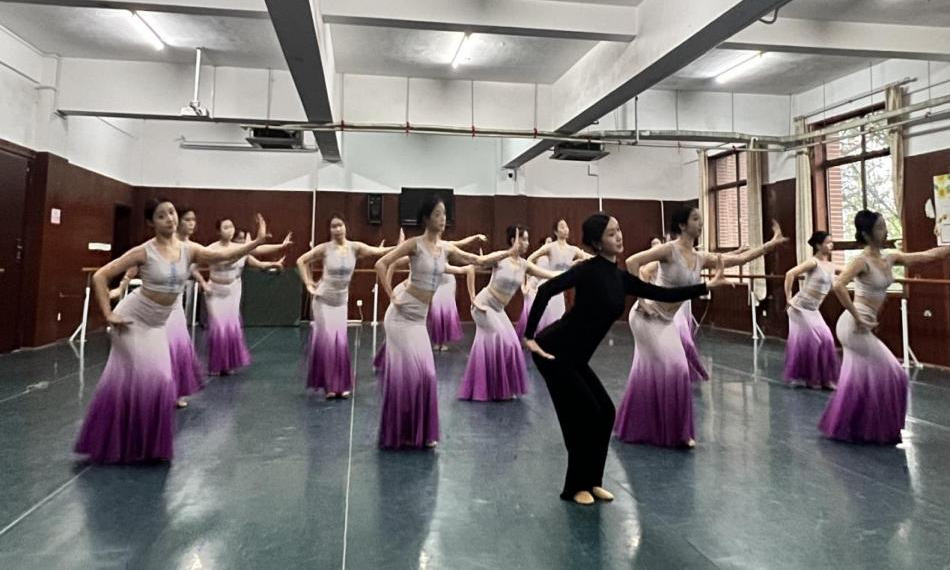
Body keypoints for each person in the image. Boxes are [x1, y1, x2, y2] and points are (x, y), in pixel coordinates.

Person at [524, 211, 732, 505]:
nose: (619, 236)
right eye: (611, 233)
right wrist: (529, 336)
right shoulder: (587, 270)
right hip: (554, 352)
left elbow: (662, 293)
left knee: (606, 413)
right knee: (584, 416)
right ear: (597, 243)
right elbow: (546, 290)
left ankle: (593, 482)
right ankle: (574, 487)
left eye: (619, 230)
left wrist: (706, 287)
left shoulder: (620, 277)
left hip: (576, 358)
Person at [74, 200, 275, 464]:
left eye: (171, 213)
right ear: (151, 222)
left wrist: (256, 242)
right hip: (132, 320)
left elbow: (224, 256)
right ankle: (126, 442)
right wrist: (108, 314)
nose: (169, 218)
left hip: (157, 324)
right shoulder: (143, 252)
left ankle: (142, 445)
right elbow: (100, 276)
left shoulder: (189, 250)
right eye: (161, 216)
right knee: (153, 379)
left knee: (161, 382)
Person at [373, 196, 517, 449]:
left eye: (444, 214)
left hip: (419, 320)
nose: (442, 219)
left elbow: (478, 261)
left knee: (427, 375)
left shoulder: (447, 248)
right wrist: (391, 295)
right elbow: (381, 263)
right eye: (437, 214)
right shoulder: (414, 244)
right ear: (426, 218)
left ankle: (418, 433)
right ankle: (400, 433)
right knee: (408, 375)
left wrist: (509, 252)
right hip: (400, 317)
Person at [819, 210, 949, 444]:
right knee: (895, 374)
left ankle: (854, 427)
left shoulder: (890, 257)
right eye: (880, 228)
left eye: (885, 226)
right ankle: (873, 428)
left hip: (861, 325)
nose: (886, 231)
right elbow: (838, 285)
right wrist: (858, 317)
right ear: (866, 234)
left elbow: (926, 256)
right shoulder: (861, 261)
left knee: (860, 378)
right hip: (853, 326)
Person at [296, 214, 395, 399]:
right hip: (323, 300)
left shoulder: (355, 247)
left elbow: (378, 252)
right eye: (333, 226)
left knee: (340, 343)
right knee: (328, 342)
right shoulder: (324, 248)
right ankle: (330, 386)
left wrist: (399, 246)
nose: (337, 229)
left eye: (340, 225)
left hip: (340, 302)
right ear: (330, 230)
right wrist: (308, 282)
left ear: (345, 227)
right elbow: (301, 261)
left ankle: (341, 384)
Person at [458, 225, 557, 401]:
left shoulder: (524, 264)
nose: (527, 243)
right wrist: (472, 297)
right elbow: (475, 265)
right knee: (503, 342)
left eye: (527, 239)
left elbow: (550, 274)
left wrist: (575, 270)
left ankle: (496, 388)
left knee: (512, 345)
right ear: (513, 240)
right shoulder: (500, 258)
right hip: (483, 306)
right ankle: (494, 389)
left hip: (498, 309)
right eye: (523, 239)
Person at [203, 219, 290, 375]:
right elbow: (194, 266)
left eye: (231, 226)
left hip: (233, 290)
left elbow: (258, 252)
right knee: (218, 327)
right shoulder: (211, 249)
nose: (229, 230)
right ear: (218, 231)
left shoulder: (240, 249)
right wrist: (203, 283)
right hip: (215, 291)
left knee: (230, 327)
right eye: (225, 227)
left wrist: (280, 249)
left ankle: (227, 364)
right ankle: (215, 365)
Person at [783, 231, 840, 389]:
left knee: (827, 339)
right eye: (828, 242)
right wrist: (788, 297)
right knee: (814, 341)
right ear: (818, 245)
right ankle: (809, 378)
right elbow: (790, 274)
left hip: (813, 309)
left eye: (831, 242)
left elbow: (846, 273)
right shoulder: (813, 262)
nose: (831, 245)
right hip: (799, 308)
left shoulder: (831, 266)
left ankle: (825, 379)